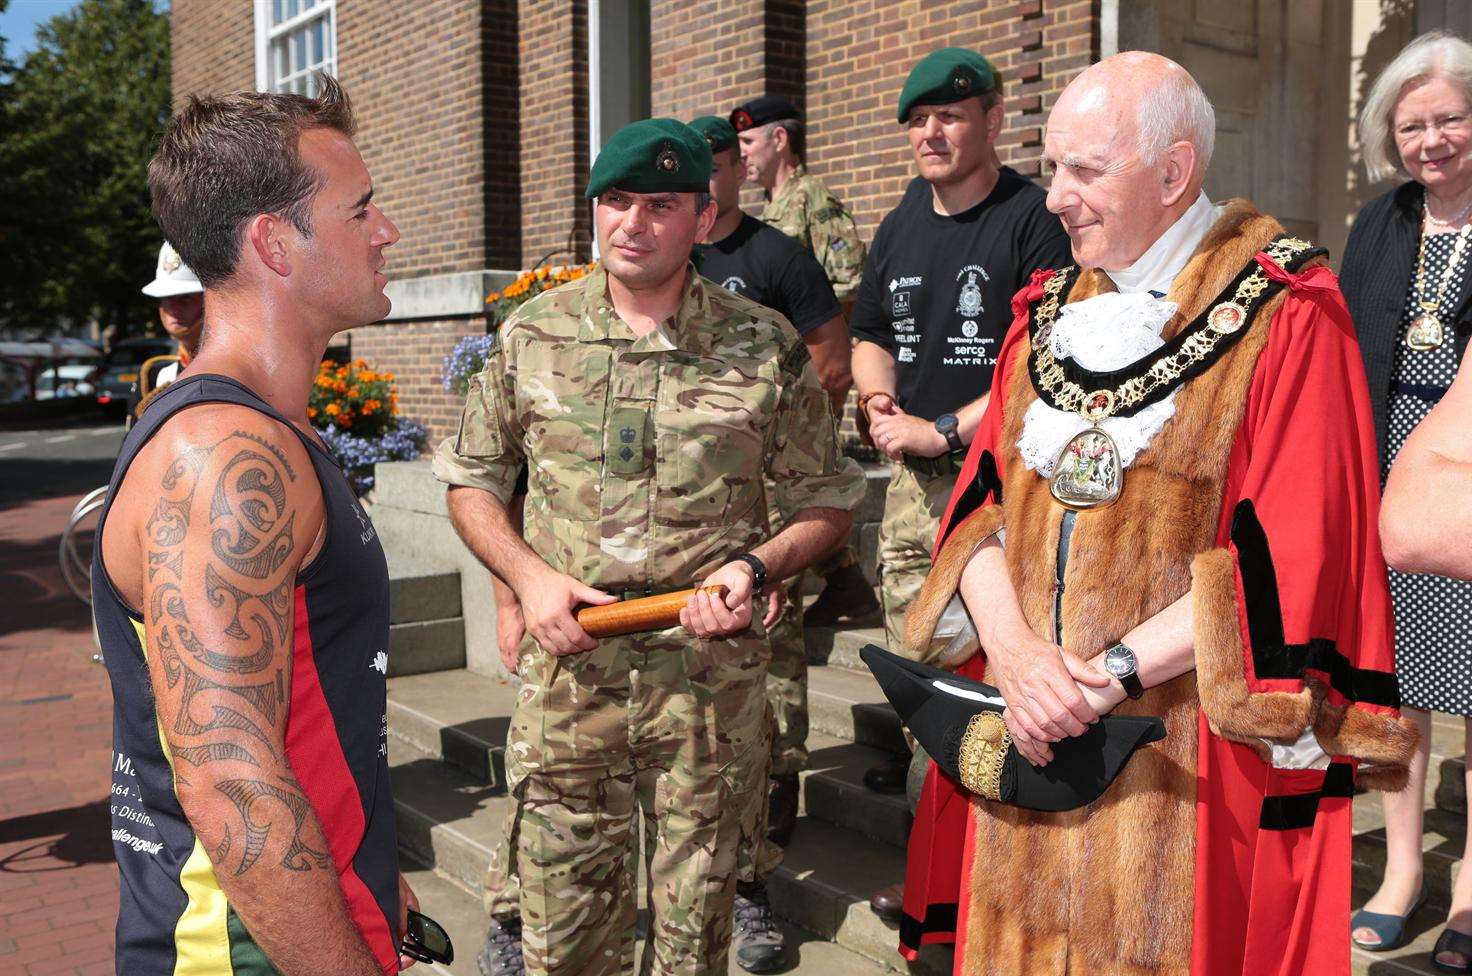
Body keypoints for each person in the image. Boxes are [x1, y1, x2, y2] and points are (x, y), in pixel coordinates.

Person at [894, 52, 1417, 975]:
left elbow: (1292, 558)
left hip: (1181, 768)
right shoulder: (1046, 311)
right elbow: (977, 505)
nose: (1054, 197)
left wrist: (1100, 683)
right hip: (1022, 734)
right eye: (1053, 166)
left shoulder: (1288, 314)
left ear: (1174, 173)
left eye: (1084, 171)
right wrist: (1017, 661)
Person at [435, 118, 865, 976]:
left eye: (660, 205)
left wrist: (757, 566)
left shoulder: (763, 345)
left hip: (709, 691)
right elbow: (474, 483)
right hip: (572, 684)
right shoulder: (532, 337)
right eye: (615, 201)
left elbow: (829, 502)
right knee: (564, 944)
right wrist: (526, 579)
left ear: (704, 220)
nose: (632, 223)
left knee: (694, 944)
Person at [95, 76, 416, 974]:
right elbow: (227, 773)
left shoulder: (266, 434)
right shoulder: (221, 459)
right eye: (361, 212)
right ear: (275, 244)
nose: (385, 231)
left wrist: (369, 872)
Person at [846, 46, 1071, 827]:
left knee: (1010, 677)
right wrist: (879, 400)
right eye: (918, 120)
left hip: (1009, 494)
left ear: (994, 119)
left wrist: (941, 429)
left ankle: (989, 866)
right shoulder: (902, 222)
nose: (931, 133)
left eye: (950, 116)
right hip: (917, 506)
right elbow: (870, 329)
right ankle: (933, 869)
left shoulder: (1035, 219)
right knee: (924, 679)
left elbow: (1044, 360)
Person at [1341, 31, 1472, 970]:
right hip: (1389, 471)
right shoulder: (1380, 223)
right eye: (1414, 124)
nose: (1433, 139)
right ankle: (1399, 871)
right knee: (1394, 689)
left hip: (1470, 476)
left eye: (1452, 118)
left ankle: (1471, 890)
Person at [729, 94, 880, 627]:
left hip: (810, 378)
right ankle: (845, 584)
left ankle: (809, 598)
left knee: (796, 489)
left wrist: (826, 382)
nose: (741, 153)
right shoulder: (767, 212)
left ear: (779, 139)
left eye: (748, 141)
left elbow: (848, 290)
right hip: (771, 384)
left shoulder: (814, 201)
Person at [141, 240, 205, 388]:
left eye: (186, 298)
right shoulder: (153, 377)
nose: (173, 307)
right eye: (167, 298)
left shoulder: (235, 370)